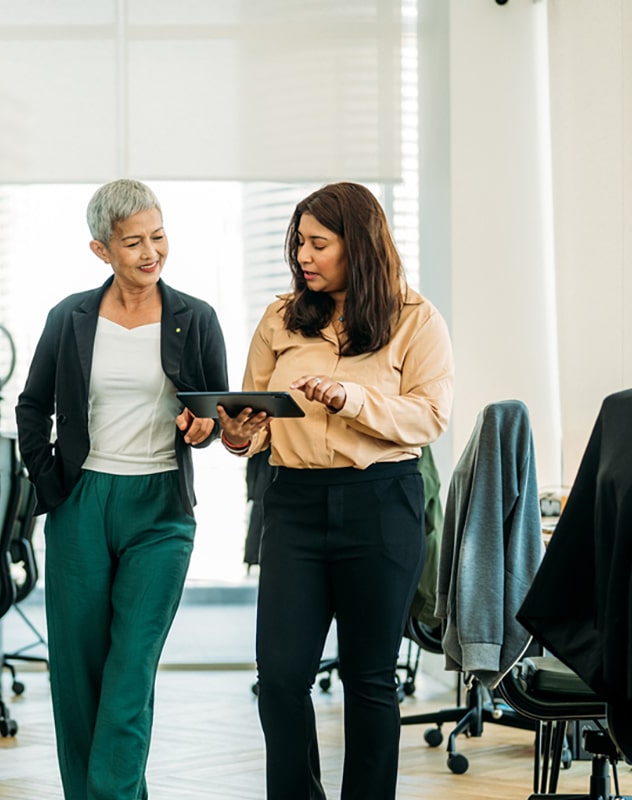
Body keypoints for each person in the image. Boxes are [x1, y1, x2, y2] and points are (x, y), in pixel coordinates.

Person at [218, 181, 454, 800]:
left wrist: (353, 400)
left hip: (381, 503)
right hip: (293, 504)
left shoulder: (415, 319)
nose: (303, 255)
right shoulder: (280, 318)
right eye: (298, 242)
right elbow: (255, 419)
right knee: (280, 676)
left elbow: (429, 417)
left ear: (360, 245)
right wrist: (239, 435)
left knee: (369, 677)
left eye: (318, 244)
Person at [15, 178, 228, 800]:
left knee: (130, 670)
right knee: (77, 675)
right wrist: (51, 482)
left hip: (161, 510)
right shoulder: (70, 318)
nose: (150, 252)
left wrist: (204, 428)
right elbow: (32, 406)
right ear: (100, 250)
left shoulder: (197, 318)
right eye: (132, 242)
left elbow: (215, 414)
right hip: (82, 504)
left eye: (158, 236)